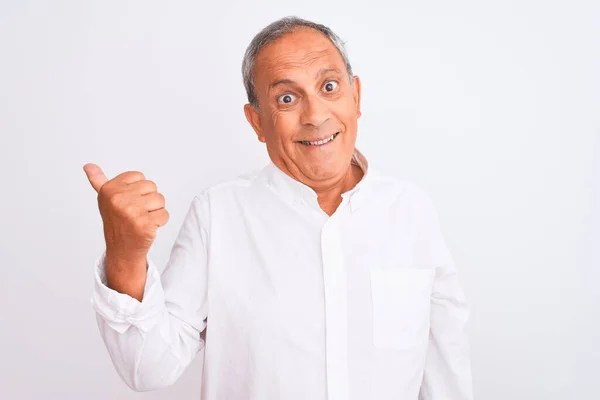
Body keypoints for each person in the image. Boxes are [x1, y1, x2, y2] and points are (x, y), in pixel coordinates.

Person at [84, 16, 473, 400]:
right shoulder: (218, 214)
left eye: (329, 87)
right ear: (257, 122)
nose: (316, 116)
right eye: (287, 98)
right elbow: (149, 367)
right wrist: (125, 255)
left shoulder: (411, 211)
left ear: (356, 97)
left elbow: (445, 370)